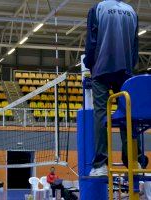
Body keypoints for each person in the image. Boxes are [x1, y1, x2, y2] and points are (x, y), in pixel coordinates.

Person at [85, 0, 149, 176]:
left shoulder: (97, 8)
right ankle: (133, 161)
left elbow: (91, 43)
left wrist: (88, 64)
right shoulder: (132, 12)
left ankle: (100, 164)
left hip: (102, 70)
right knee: (129, 115)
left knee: (100, 113)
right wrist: (129, 66)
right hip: (126, 71)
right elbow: (135, 47)